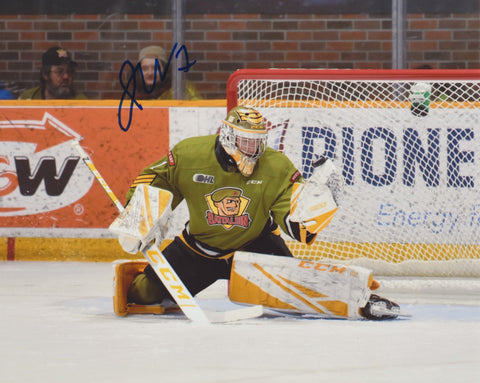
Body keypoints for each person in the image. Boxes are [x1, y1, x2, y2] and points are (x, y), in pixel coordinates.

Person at [112, 106, 400, 320]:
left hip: (257, 249)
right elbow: (156, 179)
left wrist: (317, 204)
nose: (256, 149)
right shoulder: (189, 154)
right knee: (142, 296)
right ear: (227, 136)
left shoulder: (275, 166)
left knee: (298, 298)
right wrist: (139, 215)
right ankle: (142, 274)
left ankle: (362, 300)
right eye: (248, 141)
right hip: (197, 251)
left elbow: (297, 226)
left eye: (260, 141)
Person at [133, 45, 202, 100]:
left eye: (156, 68)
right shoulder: (136, 96)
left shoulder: (181, 88)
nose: (150, 73)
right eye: (145, 69)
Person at [19, 46, 87, 100]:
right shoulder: (28, 98)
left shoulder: (80, 102)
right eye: (59, 72)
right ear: (45, 74)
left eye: (69, 71)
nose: (66, 77)